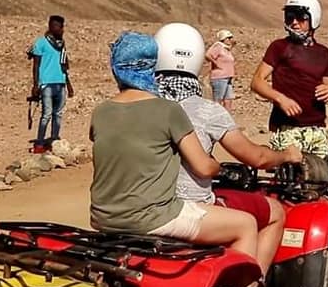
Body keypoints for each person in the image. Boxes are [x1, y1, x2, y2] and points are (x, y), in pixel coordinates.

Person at [89, 31, 258, 266]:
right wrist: (221, 168)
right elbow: (203, 167)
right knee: (246, 224)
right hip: (153, 218)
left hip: (102, 218)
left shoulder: (101, 111)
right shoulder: (168, 110)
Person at [154, 23, 302, 274]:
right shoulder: (207, 110)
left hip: (147, 205)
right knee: (275, 212)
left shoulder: (143, 105)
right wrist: (287, 154)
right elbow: (257, 158)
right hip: (189, 208)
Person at [251, 0, 328, 162]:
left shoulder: (324, 53)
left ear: (314, 19)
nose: (294, 22)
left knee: (319, 181)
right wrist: (281, 99)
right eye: (290, 17)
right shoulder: (279, 47)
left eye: (300, 17)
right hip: (287, 127)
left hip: (317, 128)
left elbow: (327, 85)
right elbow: (257, 81)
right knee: (291, 183)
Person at [28, 15, 74, 153]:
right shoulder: (41, 43)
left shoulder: (61, 44)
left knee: (58, 114)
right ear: (51, 26)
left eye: (61, 26)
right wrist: (36, 85)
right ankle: (40, 143)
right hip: (46, 84)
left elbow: (63, 66)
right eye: (57, 26)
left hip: (60, 83)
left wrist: (69, 85)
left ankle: (54, 140)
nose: (61, 29)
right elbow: (36, 65)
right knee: (46, 114)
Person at [206, 29, 237, 110]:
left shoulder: (226, 49)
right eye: (229, 38)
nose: (230, 40)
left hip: (228, 77)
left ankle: (227, 120)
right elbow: (208, 55)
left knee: (228, 100)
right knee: (218, 100)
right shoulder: (218, 47)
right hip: (219, 77)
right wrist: (216, 63)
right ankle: (215, 120)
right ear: (224, 38)